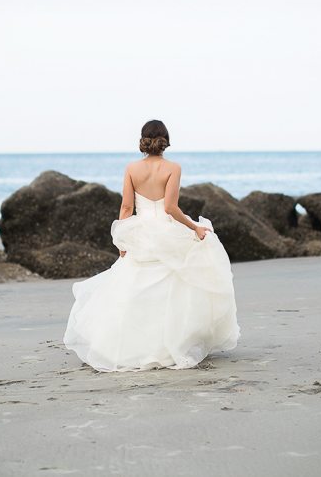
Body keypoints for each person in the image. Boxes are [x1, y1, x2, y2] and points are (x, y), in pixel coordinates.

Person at [63, 120, 241, 371]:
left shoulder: (132, 169)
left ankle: (132, 345)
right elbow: (170, 208)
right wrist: (195, 228)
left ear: (143, 141)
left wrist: (122, 239)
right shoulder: (173, 168)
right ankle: (173, 343)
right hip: (166, 229)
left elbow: (126, 207)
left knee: (133, 284)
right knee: (182, 279)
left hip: (141, 232)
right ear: (166, 140)